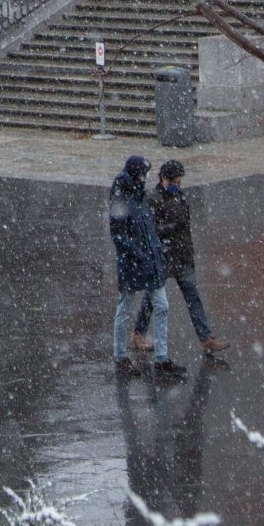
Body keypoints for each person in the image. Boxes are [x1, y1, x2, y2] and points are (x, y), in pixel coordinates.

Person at [151, 159, 228, 364]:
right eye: (174, 181)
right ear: (163, 179)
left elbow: (185, 231)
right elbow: (152, 230)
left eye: (179, 181)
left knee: (193, 298)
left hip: (182, 258)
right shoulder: (154, 199)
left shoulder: (181, 197)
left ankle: (206, 338)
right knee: (152, 300)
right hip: (165, 258)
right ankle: (138, 332)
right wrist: (171, 228)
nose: (177, 185)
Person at [109, 154, 166, 376]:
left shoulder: (139, 195)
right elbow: (119, 236)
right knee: (125, 308)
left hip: (149, 261)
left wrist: (155, 252)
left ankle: (162, 357)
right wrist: (140, 254)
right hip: (133, 264)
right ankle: (120, 356)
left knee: (162, 306)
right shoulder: (121, 198)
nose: (146, 177)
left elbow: (148, 226)